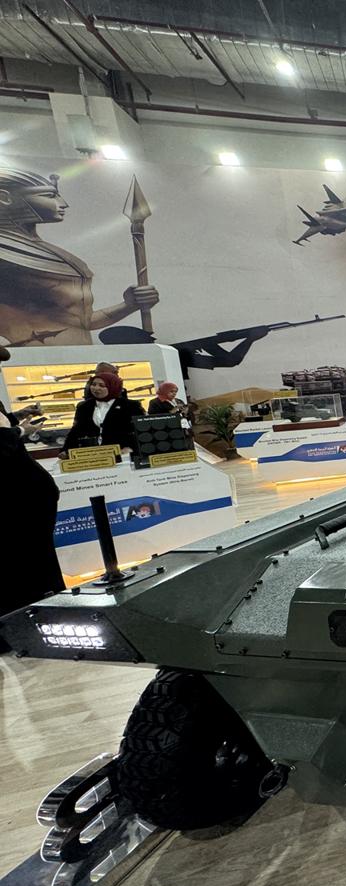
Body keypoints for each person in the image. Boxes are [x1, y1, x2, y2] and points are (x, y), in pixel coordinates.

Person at [0, 168, 158, 346]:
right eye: (49, 196)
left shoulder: (58, 257)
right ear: (5, 198)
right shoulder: (5, 258)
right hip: (27, 360)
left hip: (80, 357)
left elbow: (81, 323)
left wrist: (130, 304)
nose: (63, 203)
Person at [0, 346, 64, 647]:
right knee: (22, 564)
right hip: (15, 503)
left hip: (24, 500)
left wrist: (16, 420)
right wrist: (18, 432)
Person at [60, 371, 145, 454]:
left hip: (122, 453)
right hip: (92, 454)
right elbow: (75, 432)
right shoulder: (84, 407)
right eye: (93, 384)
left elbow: (140, 431)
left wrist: (130, 447)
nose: (96, 388)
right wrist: (66, 450)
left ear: (112, 387)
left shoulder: (130, 406)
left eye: (102, 385)